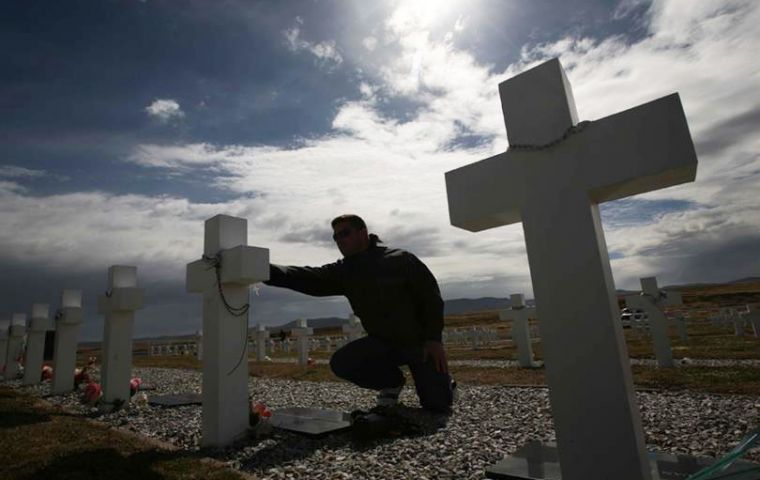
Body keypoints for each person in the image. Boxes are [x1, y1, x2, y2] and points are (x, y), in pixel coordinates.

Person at [264, 214, 454, 413]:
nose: (340, 240)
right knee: (343, 362)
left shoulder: (401, 259)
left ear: (363, 232)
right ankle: (392, 383)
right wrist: (263, 270)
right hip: (383, 344)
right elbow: (306, 277)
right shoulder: (345, 271)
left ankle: (446, 384)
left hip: (420, 344)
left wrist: (433, 339)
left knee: (437, 406)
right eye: (335, 237)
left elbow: (431, 298)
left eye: (345, 234)